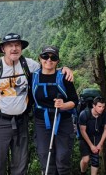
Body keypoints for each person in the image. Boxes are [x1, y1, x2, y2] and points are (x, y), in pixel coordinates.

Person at [0, 33, 73, 175]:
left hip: (21, 121)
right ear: (3, 48)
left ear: (21, 48)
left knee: (20, 166)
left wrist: (63, 69)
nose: (14, 48)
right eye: (10, 45)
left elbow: (48, 67)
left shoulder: (28, 64)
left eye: (17, 45)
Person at [32, 45, 78, 175]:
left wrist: (64, 105)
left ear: (58, 61)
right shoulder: (33, 77)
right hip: (42, 122)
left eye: (53, 57)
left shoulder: (64, 77)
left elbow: (75, 101)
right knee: (45, 158)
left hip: (62, 121)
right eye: (45, 56)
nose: (49, 60)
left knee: (63, 158)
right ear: (40, 58)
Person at [79, 96, 106, 175]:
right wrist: (91, 146)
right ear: (94, 105)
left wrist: (100, 144)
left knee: (95, 160)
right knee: (86, 160)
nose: (101, 108)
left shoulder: (105, 115)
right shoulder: (84, 114)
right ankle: (82, 172)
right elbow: (82, 131)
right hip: (85, 138)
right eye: (99, 106)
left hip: (97, 137)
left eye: (103, 107)